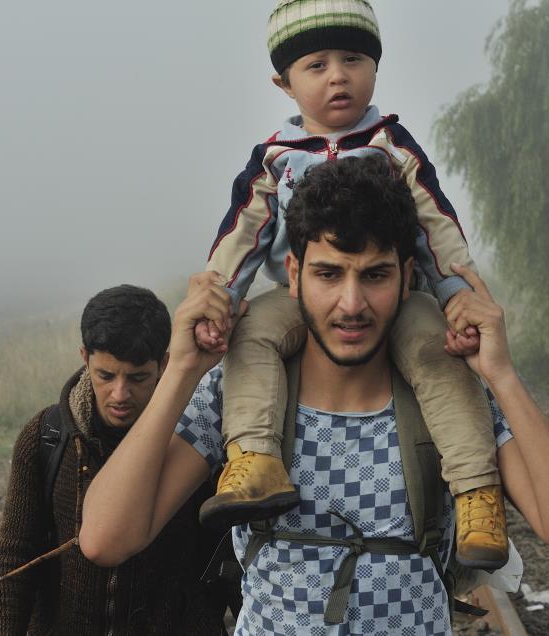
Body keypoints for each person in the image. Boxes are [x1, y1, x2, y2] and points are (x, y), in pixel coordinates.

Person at [79, 157, 549, 634]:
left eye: (375, 275)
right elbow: (106, 539)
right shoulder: (242, 392)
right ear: (294, 275)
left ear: (408, 278)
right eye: (328, 274)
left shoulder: (447, 397)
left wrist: (502, 375)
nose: (351, 304)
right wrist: (183, 373)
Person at [198, 0, 506, 569]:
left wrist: (460, 295)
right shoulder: (275, 160)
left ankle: (476, 492)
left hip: (399, 299)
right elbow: (243, 232)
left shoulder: (392, 146)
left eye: (353, 59)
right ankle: (254, 457)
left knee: (435, 353)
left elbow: (437, 225)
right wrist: (219, 296)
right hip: (300, 301)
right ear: (283, 82)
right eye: (316, 65)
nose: (338, 75)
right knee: (252, 337)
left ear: (375, 68)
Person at [0, 285, 235, 635]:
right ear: (85, 357)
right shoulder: (46, 436)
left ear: (164, 364)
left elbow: (229, 553)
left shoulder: (195, 440)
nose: (120, 394)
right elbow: (15, 559)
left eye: (137, 378)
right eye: (106, 375)